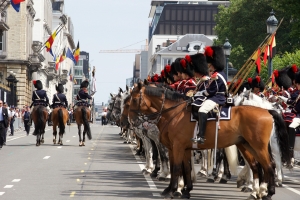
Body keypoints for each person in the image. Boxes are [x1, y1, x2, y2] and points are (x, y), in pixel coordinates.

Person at [191, 46, 227, 144]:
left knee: (202, 110)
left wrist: (202, 93)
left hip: (217, 98)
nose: (209, 66)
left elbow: (212, 90)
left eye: (210, 64)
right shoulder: (218, 74)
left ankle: (201, 136)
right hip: (215, 97)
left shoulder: (216, 76)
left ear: (213, 63)